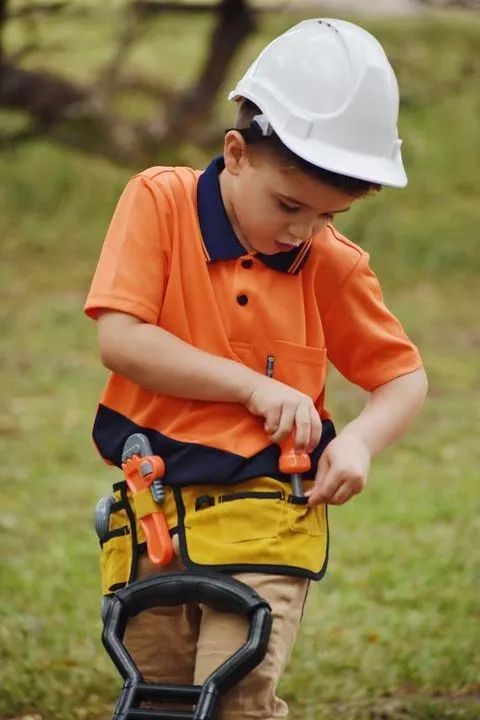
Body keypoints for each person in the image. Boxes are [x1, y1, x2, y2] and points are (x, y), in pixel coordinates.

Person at [84, 18, 428, 720]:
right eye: (290, 205)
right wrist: (252, 383)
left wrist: (360, 442)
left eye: (329, 215)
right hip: (153, 517)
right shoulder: (158, 201)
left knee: (232, 699)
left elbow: (403, 378)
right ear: (235, 153)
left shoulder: (329, 261)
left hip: (270, 518)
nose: (303, 231)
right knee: (157, 700)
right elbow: (122, 339)